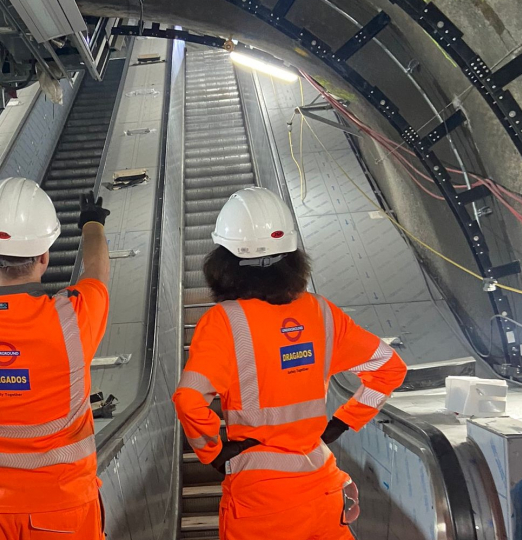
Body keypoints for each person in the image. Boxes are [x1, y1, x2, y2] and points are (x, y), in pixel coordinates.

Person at [172, 187, 407, 540]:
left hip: (261, 499)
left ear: (223, 262)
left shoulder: (225, 322)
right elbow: (389, 368)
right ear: (293, 256)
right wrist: (343, 422)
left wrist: (214, 454)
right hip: (323, 487)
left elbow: (189, 400)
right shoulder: (322, 312)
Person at [0, 178, 111, 540]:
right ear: (45, 257)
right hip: (65, 507)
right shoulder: (72, 318)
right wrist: (93, 222)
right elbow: (96, 270)